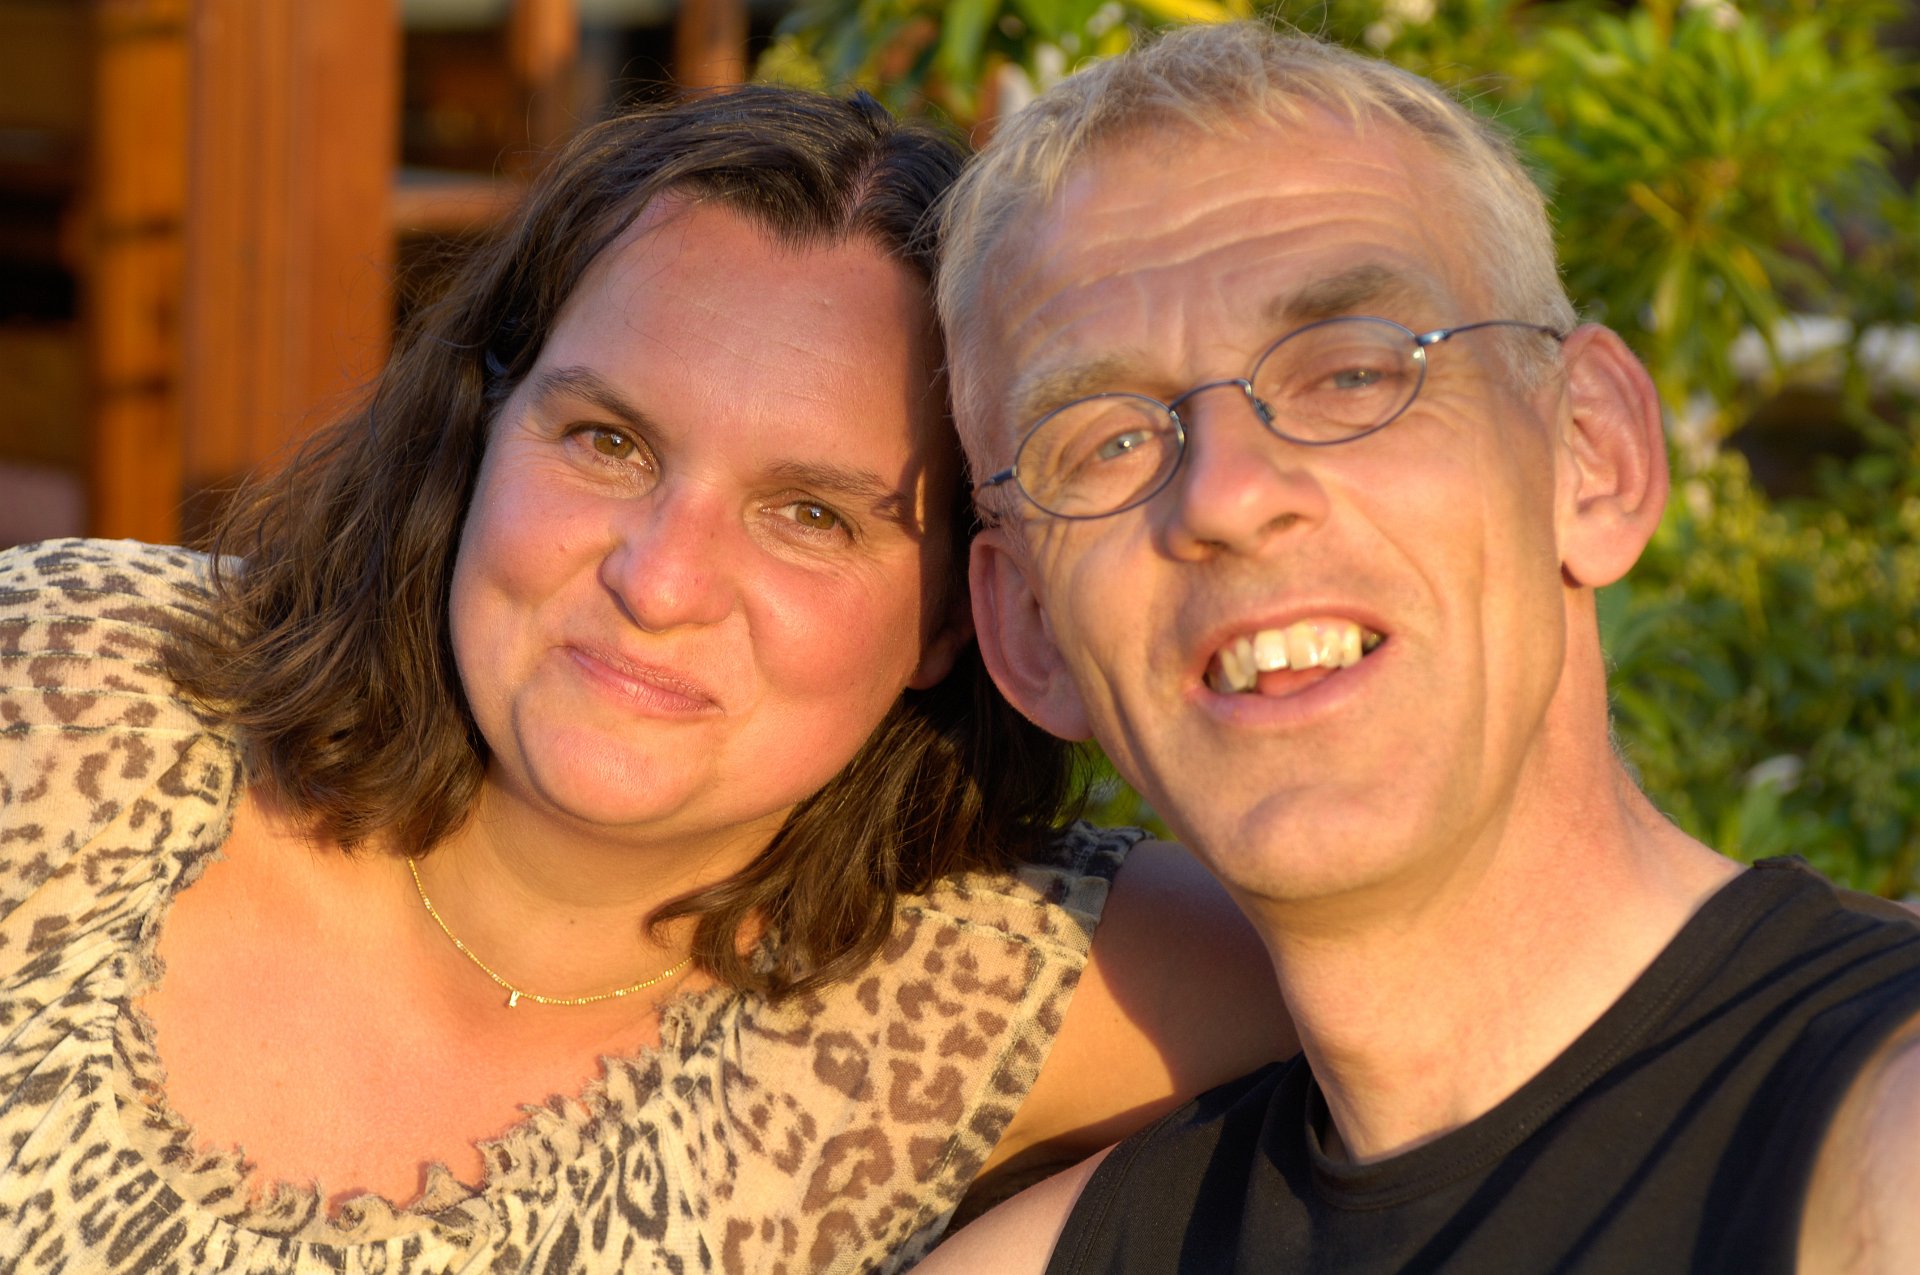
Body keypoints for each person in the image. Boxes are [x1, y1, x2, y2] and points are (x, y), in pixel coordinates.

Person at [0, 86, 1288, 1274]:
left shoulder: (990, 989)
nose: (660, 582)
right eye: (608, 442)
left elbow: (1410, 978)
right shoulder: (75, 684)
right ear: (480, 431)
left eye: (811, 515)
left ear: (960, 612)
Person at [920, 23, 1920, 1275]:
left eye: (1352, 374)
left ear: (1591, 452)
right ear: (1026, 629)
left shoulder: (1879, 1144)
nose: (1226, 495)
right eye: (1107, 443)